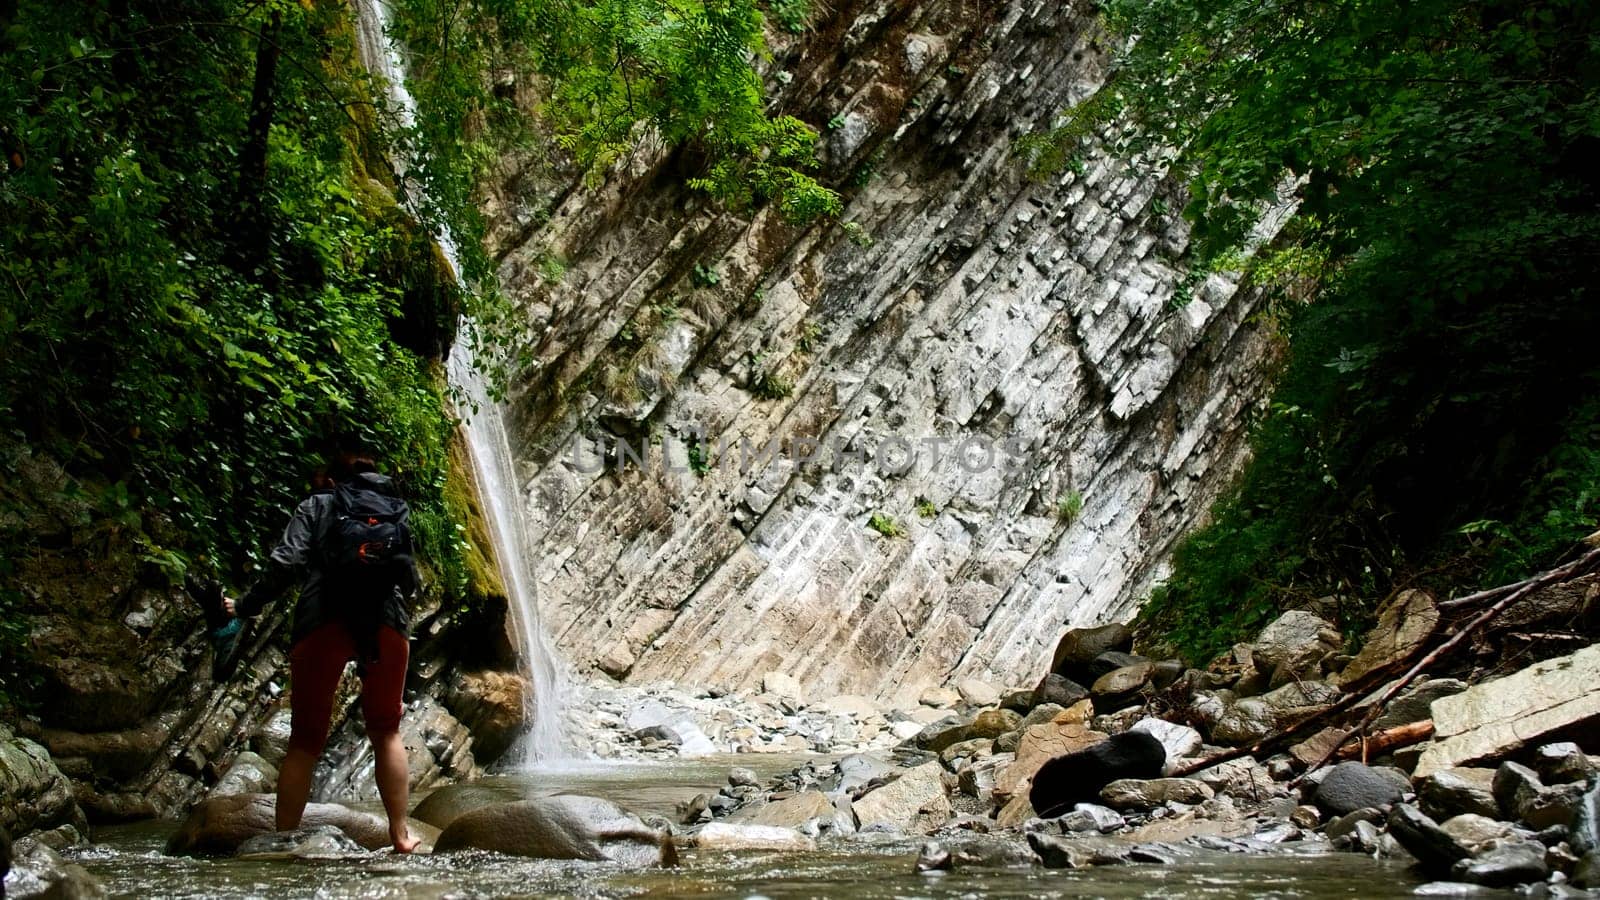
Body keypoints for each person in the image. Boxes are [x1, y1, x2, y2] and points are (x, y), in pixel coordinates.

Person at [223, 450, 422, 853]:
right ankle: (401, 835)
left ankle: (283, 840)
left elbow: (286, 562)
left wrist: (244, 606)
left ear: (331, 480)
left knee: (304, 740)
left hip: (322, 619)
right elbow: (409, 578)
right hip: (386, 621)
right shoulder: (393, 512)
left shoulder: (316, 506)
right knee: (386, 729)